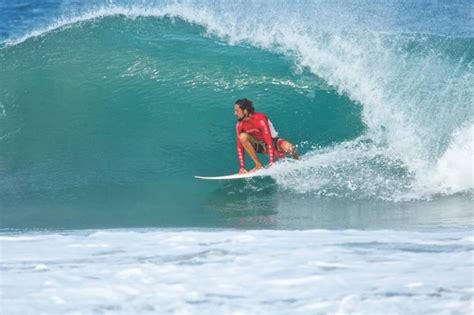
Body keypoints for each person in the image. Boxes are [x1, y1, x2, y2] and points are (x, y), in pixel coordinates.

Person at [234, 98, 298, 174]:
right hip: (260, 146)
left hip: (273, 142)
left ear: (245, 111)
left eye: (237, 110)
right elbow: (239, 147)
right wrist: (242, 167)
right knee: (242, 136)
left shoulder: (260, 119)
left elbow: (269, 141)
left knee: (291, 148)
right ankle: (258, 165)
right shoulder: (239, 125)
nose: (235, 113)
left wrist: (271, 162)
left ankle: (297, 163)